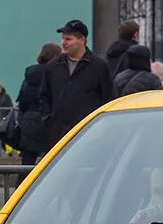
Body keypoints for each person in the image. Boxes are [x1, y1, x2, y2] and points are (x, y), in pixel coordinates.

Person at [39, 19, 114, 150]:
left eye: (68, 39)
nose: (63, 43)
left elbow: (109, 97)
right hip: (59, 136)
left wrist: (101, 126)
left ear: (82, 40)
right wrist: (49, 120)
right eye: (63, 39)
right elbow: (44, 96)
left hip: (90, 135)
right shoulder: (53, 67)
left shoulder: (99, 67)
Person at [17, 42, 61, 177]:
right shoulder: (56, 74)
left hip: (29, 122)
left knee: (27, 163)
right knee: (52, 162)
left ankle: (21, 193)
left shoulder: (29, 76)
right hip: (49, 122)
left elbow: (22, 101)